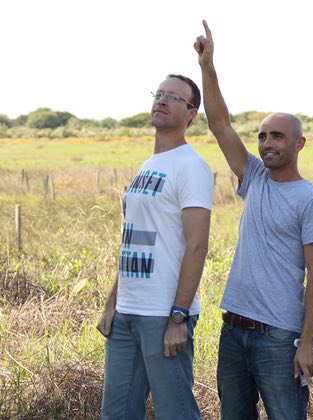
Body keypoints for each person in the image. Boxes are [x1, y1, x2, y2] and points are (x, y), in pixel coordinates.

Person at [194, 20, 313, 420]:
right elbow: (220, 124)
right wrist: (208, 66)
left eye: (277, 136)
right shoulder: (253, 177)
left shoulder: (310, 200)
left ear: (299, 144)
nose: (267, 143)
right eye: (262, 136)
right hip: (233, 329)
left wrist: (308, 342)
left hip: (280, 337)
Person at [97, 74, 213, 419]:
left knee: (175, 413)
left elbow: (197, 246)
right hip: (126, 315)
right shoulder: (148, 165)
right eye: (159, 94)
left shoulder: (191, 166)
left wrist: (178, 316)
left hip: (163, 316)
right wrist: (111, 303)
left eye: (174, 98)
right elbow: (132, 239)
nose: (162, 100)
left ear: (191, 114)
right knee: (116, 414)